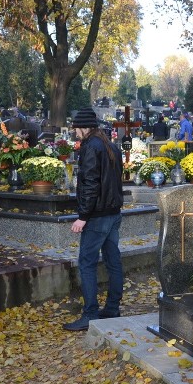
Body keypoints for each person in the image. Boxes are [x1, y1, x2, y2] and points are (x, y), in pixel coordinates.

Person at [64, 107, 125, 331]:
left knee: (87, 263)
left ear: (84, 127)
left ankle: (90, 314)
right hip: (113, 213)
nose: (75, 133)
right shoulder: (110, 146)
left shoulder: (90, 147)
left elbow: (90, 184)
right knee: (113, 260)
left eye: (76, 129)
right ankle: (112, 308)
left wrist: (83, 217)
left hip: (98, 216)